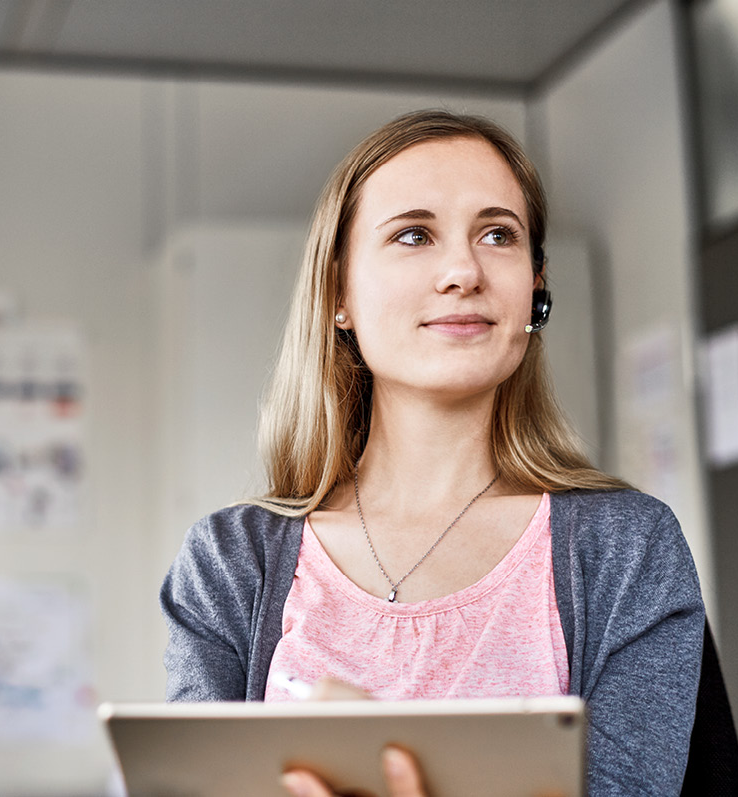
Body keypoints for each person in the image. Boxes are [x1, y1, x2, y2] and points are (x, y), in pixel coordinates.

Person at [160, 110, 709, 796]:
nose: (462, 270)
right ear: (339, 295)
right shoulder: (229, 560)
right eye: (414, 234)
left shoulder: (629, 546)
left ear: (535, 285)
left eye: (498, 235)